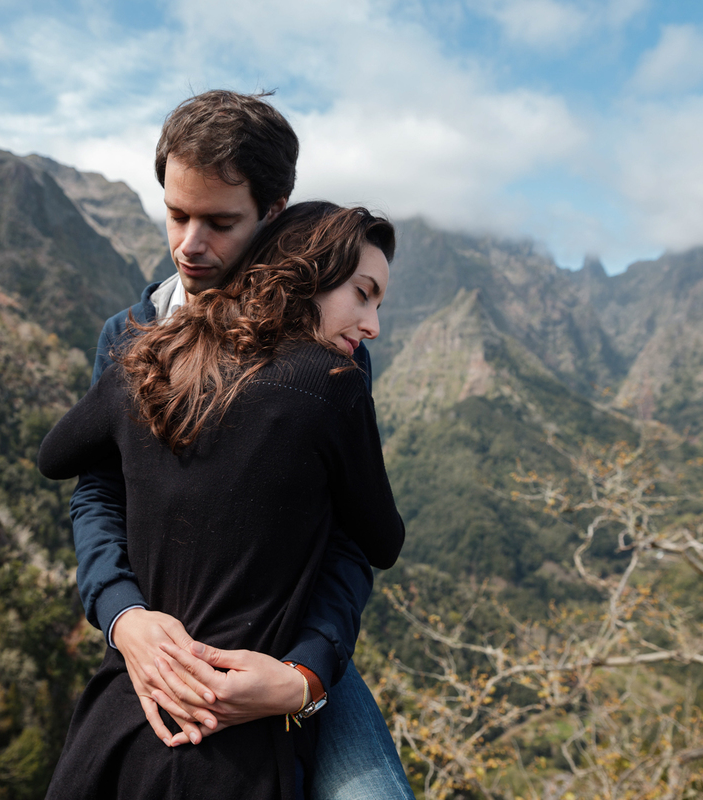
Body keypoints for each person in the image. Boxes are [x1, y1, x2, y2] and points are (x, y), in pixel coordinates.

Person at [68, 90, 415, 799]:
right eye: (176, 214)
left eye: (220, 222)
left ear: (273, 214)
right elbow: (98, 490)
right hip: (157, 641)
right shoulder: (130, 334)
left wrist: (305, 674)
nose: (190, 245)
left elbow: (350, 536)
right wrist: (123, 617)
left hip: (284, 649)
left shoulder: (328, 348)